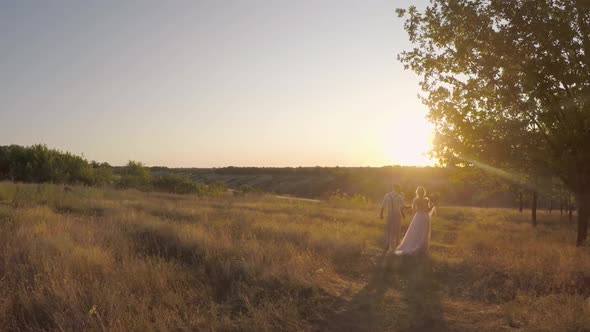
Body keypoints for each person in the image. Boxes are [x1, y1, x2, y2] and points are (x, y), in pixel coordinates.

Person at [395, 186, 434, 256]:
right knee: (423, 232)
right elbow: (428, 210)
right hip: (425, 217)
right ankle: (421, 248)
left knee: (418, 232)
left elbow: (414, 210)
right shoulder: (425, 200)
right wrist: (432, 205)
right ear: (423, 192)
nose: (421, 193)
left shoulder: (418, 200)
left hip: (419, 217)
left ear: (418, 192)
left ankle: (420, 247)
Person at [380, 184, 405, 251]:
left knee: (388, 229)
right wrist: (403, 214)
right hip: (397, 214)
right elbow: (402, 207)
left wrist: (381, 214)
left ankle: (387, 244)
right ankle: (397, 245)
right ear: (398, 188)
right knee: (397, 229)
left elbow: (383, 205)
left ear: (393, 188)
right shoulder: (400, 196)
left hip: (389, 214)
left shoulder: (387, 195)